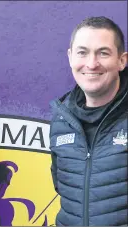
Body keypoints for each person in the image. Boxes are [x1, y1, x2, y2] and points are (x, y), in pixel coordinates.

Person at [49, 16, 127, 226]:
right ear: (70, 57)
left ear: (122, 60)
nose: (91, 64)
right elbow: (61, 187)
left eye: (103, 53)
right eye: (82, 52)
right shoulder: (61, 120)